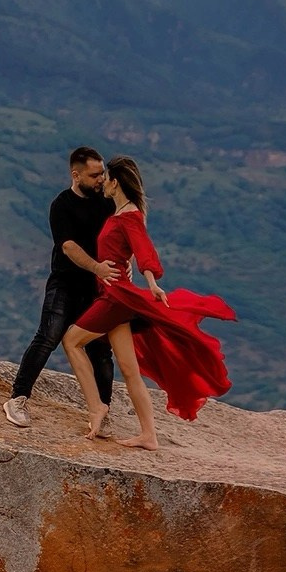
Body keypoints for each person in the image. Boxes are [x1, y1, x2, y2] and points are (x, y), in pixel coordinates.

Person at [61, 155, 235, 449]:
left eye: (106, 178)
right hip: (113, 295)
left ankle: (96, 407)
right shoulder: (119, 213)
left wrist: (152, 283)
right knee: (129, 370)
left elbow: (144, 249)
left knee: (71, 341)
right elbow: (124, 250)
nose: (102, 181)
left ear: (115, 183)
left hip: (116, 296)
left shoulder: (128, 216)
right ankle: (149, 435)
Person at [3, 147, 117, 429]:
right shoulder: (62, 205)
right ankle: (17, 398)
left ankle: (103, 412)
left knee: (101, 351)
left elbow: (121, 234)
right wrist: (97, 267)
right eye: (94, 175)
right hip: (66, 283)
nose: (100, 179)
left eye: (101, 173)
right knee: (48, 338)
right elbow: (68, 246)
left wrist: (123, 264)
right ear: (75, 175)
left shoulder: (106, 203)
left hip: (97, 288)